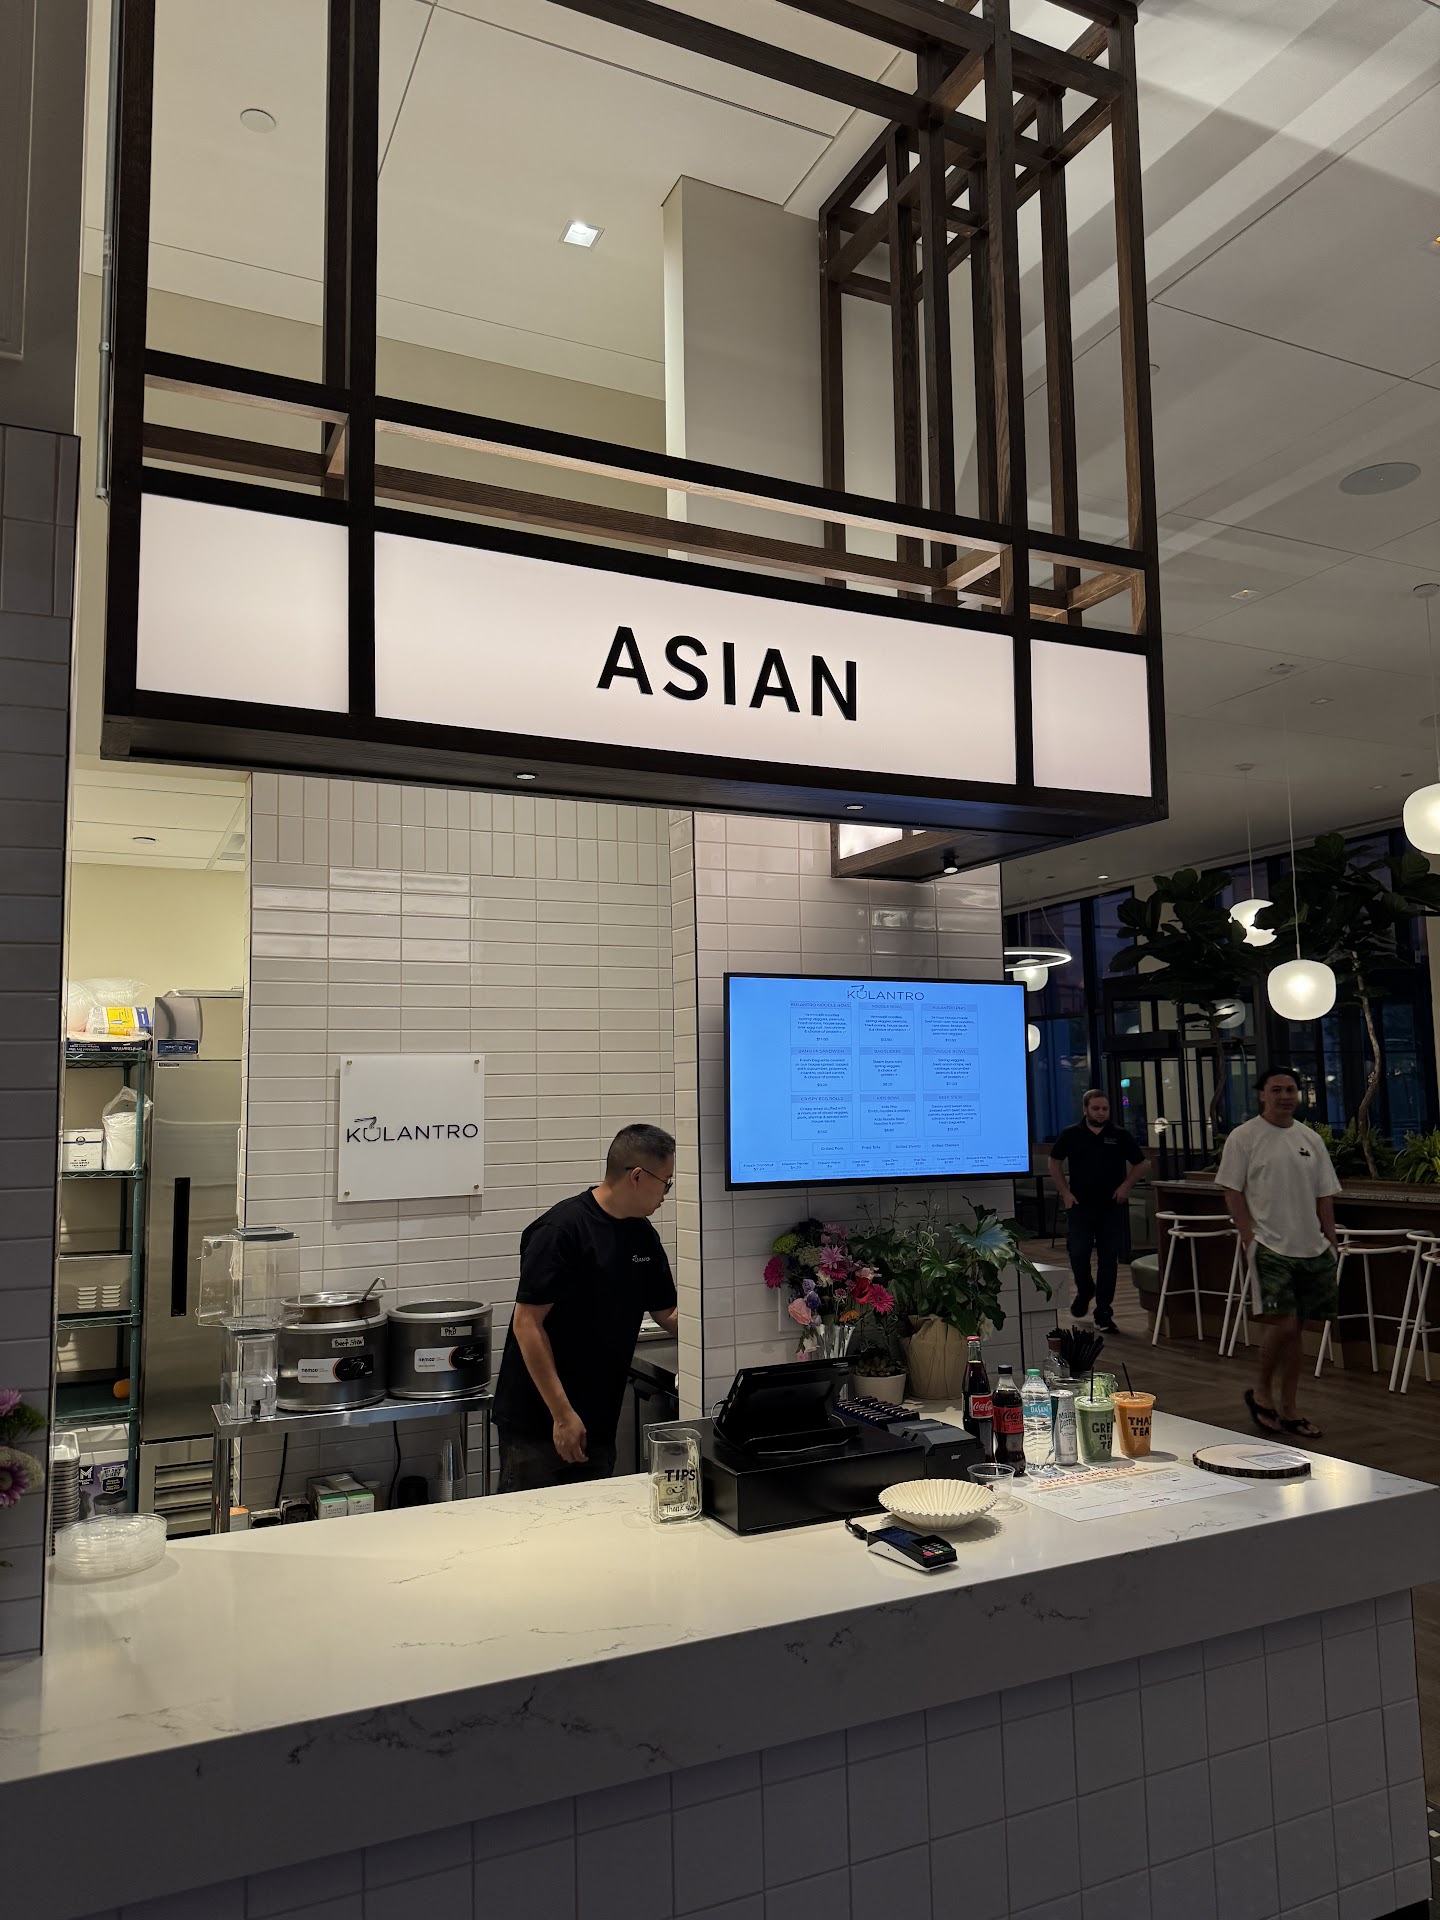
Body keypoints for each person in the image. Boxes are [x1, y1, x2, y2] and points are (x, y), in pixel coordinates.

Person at [493, 1123, 679, 1491]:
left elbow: (668, 1314)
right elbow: (526, 1324)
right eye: (666, 1183)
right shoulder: (561, 1231)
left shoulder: (642, 1235)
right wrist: (562, 1415)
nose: (666, 1194)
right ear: (637, 1176)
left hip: (598, 1420)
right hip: (541, 1421)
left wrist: (725, 1329)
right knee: (531, 1521)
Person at [1217, 1067, 1339, 1441]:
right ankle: (1261, 1392)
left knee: (1297, 1329)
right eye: (1276, 1090)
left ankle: (1289, 1408)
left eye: (1290, 1090)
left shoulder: (1310, 1139)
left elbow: (1324, 1195)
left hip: (1311, 1247)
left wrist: (1331, 1240)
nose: (1285, 1096)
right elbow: (1232, 1190)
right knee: (1283, 1324)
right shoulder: (1244, 1137)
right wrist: (1248, 1237)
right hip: (1269, 1244)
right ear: (1262, 1095)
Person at [1047, 1090, 1149, 1332]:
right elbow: (1054, 1161)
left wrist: (1126, 1186)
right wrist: (1065, 1192)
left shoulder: (1119, 1134)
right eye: (1096, 1109)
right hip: (1079, 1204)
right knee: (1078, 1252)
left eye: (1105, 1109)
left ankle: (1103, 1311)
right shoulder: (1071, 1134)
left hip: (1111, 1205)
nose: (1101, 1113)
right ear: (1085, 1110)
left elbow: (1141, 1163)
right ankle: (1085, 1290)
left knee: (1108, 1258)